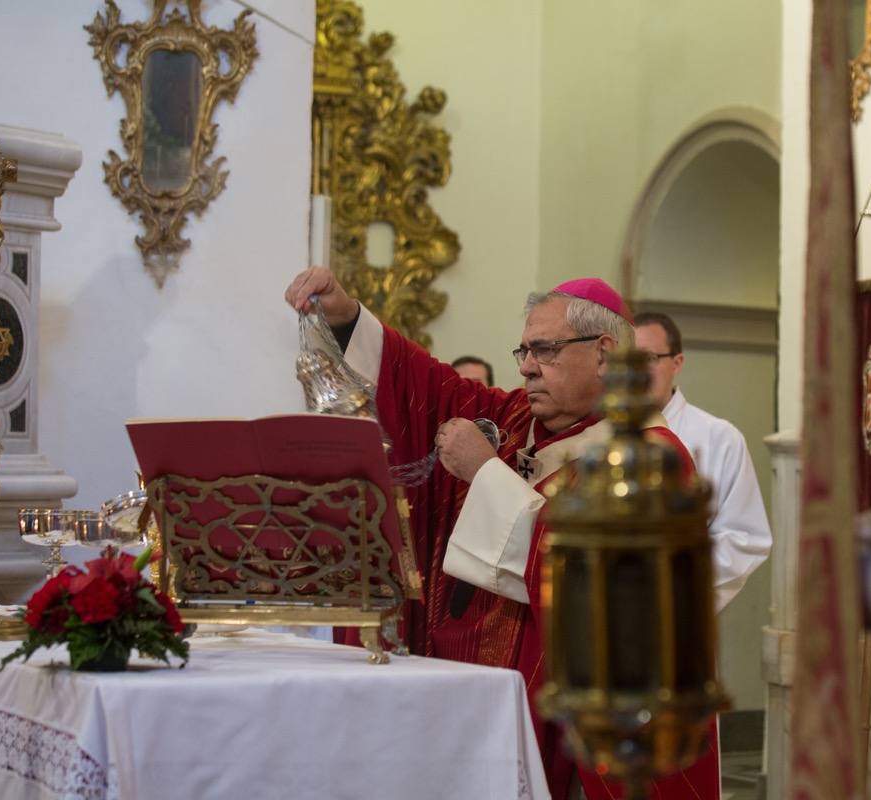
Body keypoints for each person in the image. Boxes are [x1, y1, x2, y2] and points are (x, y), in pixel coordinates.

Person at [285, 268, 720, 800]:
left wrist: (486, 473)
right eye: (524, 352)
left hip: (560, 722)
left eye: (546, 350)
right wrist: (348, 317)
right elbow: (423, 384)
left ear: (604, 354)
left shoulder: (652, 459)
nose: (529, 368)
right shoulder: (515, 418)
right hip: (460, 692)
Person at [634, 312, 772, 612]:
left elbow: (745, 538)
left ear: (677, 363)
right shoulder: (602, 434)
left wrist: (667, 576)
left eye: (649, 358)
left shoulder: (718, 437)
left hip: (679, 611)